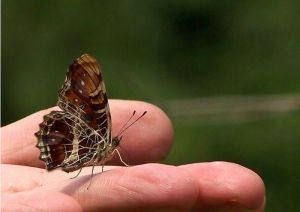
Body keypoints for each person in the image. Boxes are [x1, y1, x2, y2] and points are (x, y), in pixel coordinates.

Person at [1, 100, 265, 211]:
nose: (117, 143)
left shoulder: (103, 145)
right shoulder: (98, 140)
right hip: (68, 148)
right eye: (115, 141)